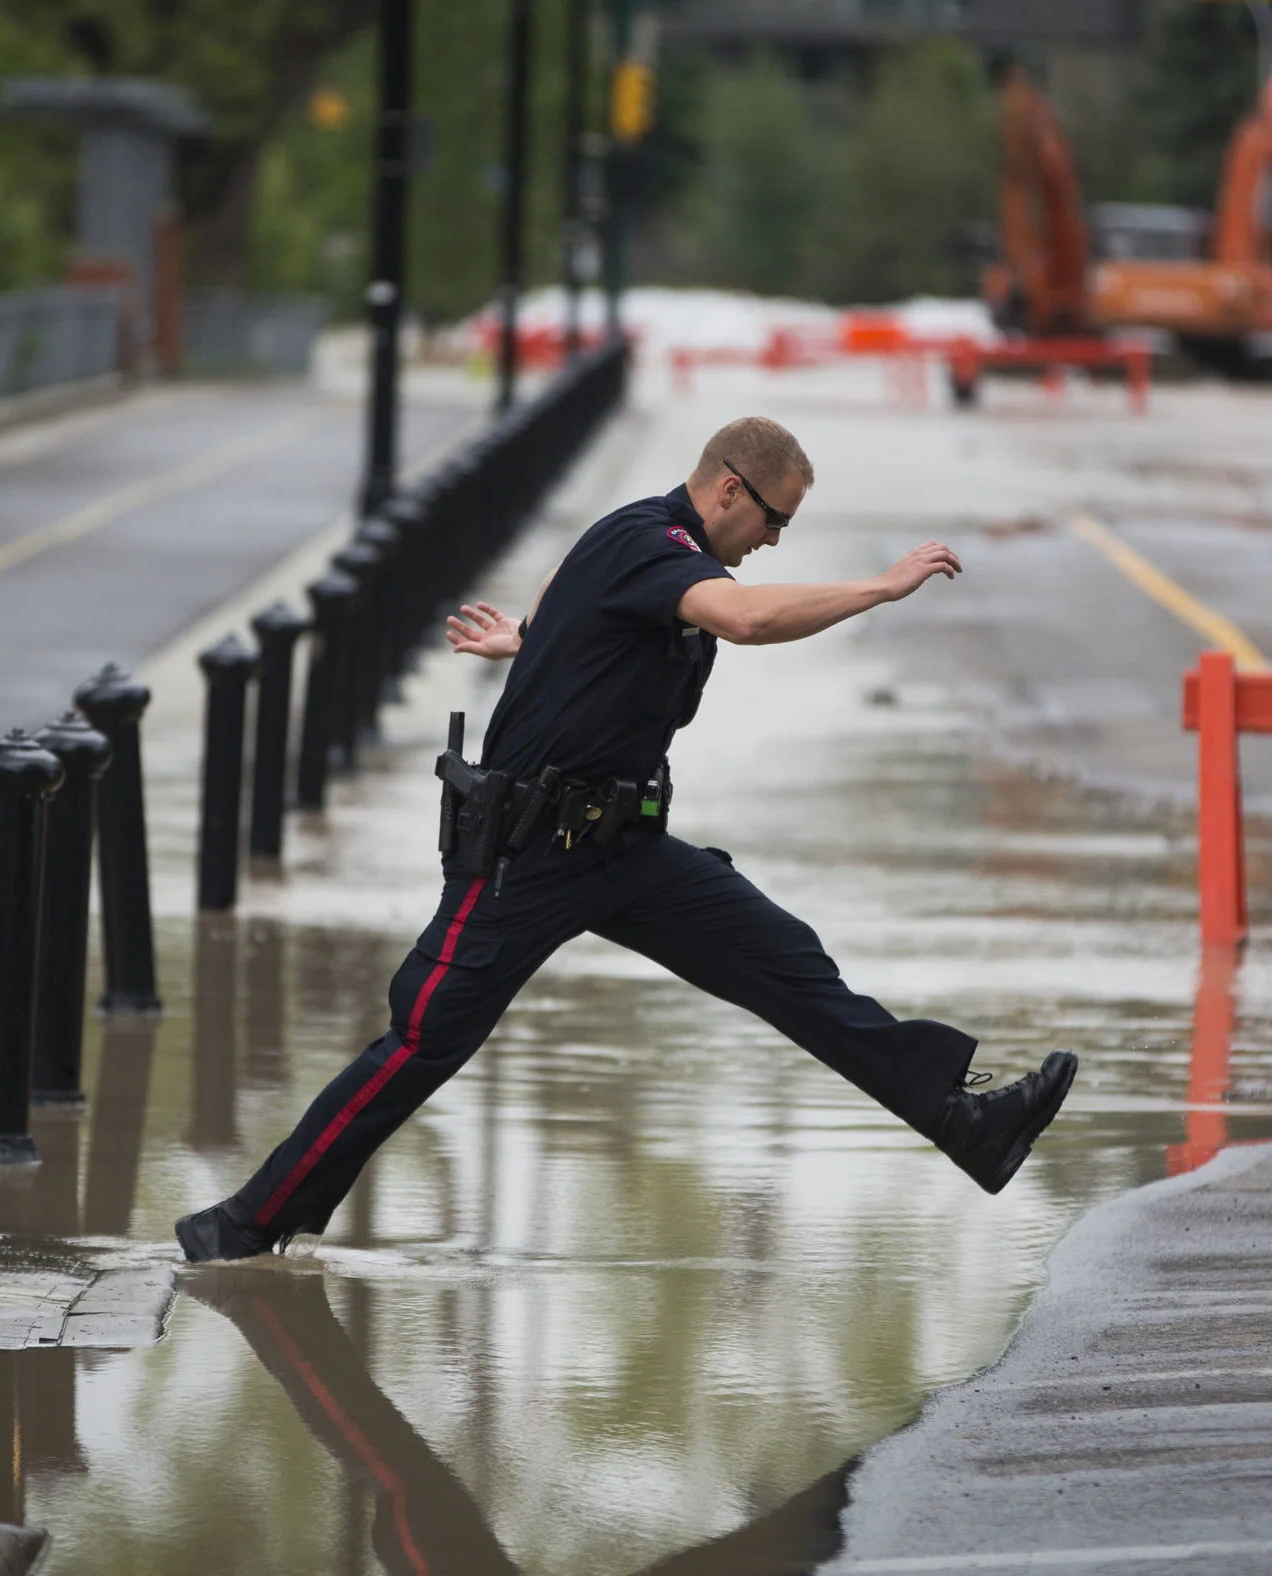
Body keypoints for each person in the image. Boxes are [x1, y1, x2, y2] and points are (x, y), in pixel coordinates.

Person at [175, 417, 1077, 1261]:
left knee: (786, 960)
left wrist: (532, 639)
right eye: (774, 520)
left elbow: (589, 616)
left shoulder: (657, 560)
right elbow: (747, 619)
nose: (774, 542)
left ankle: (964, 1124)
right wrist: (881, 586)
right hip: (525, 855)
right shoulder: (651, 541)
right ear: (730, 490)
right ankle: (247, 1223)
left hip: (624, 852)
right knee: (423, 1040)